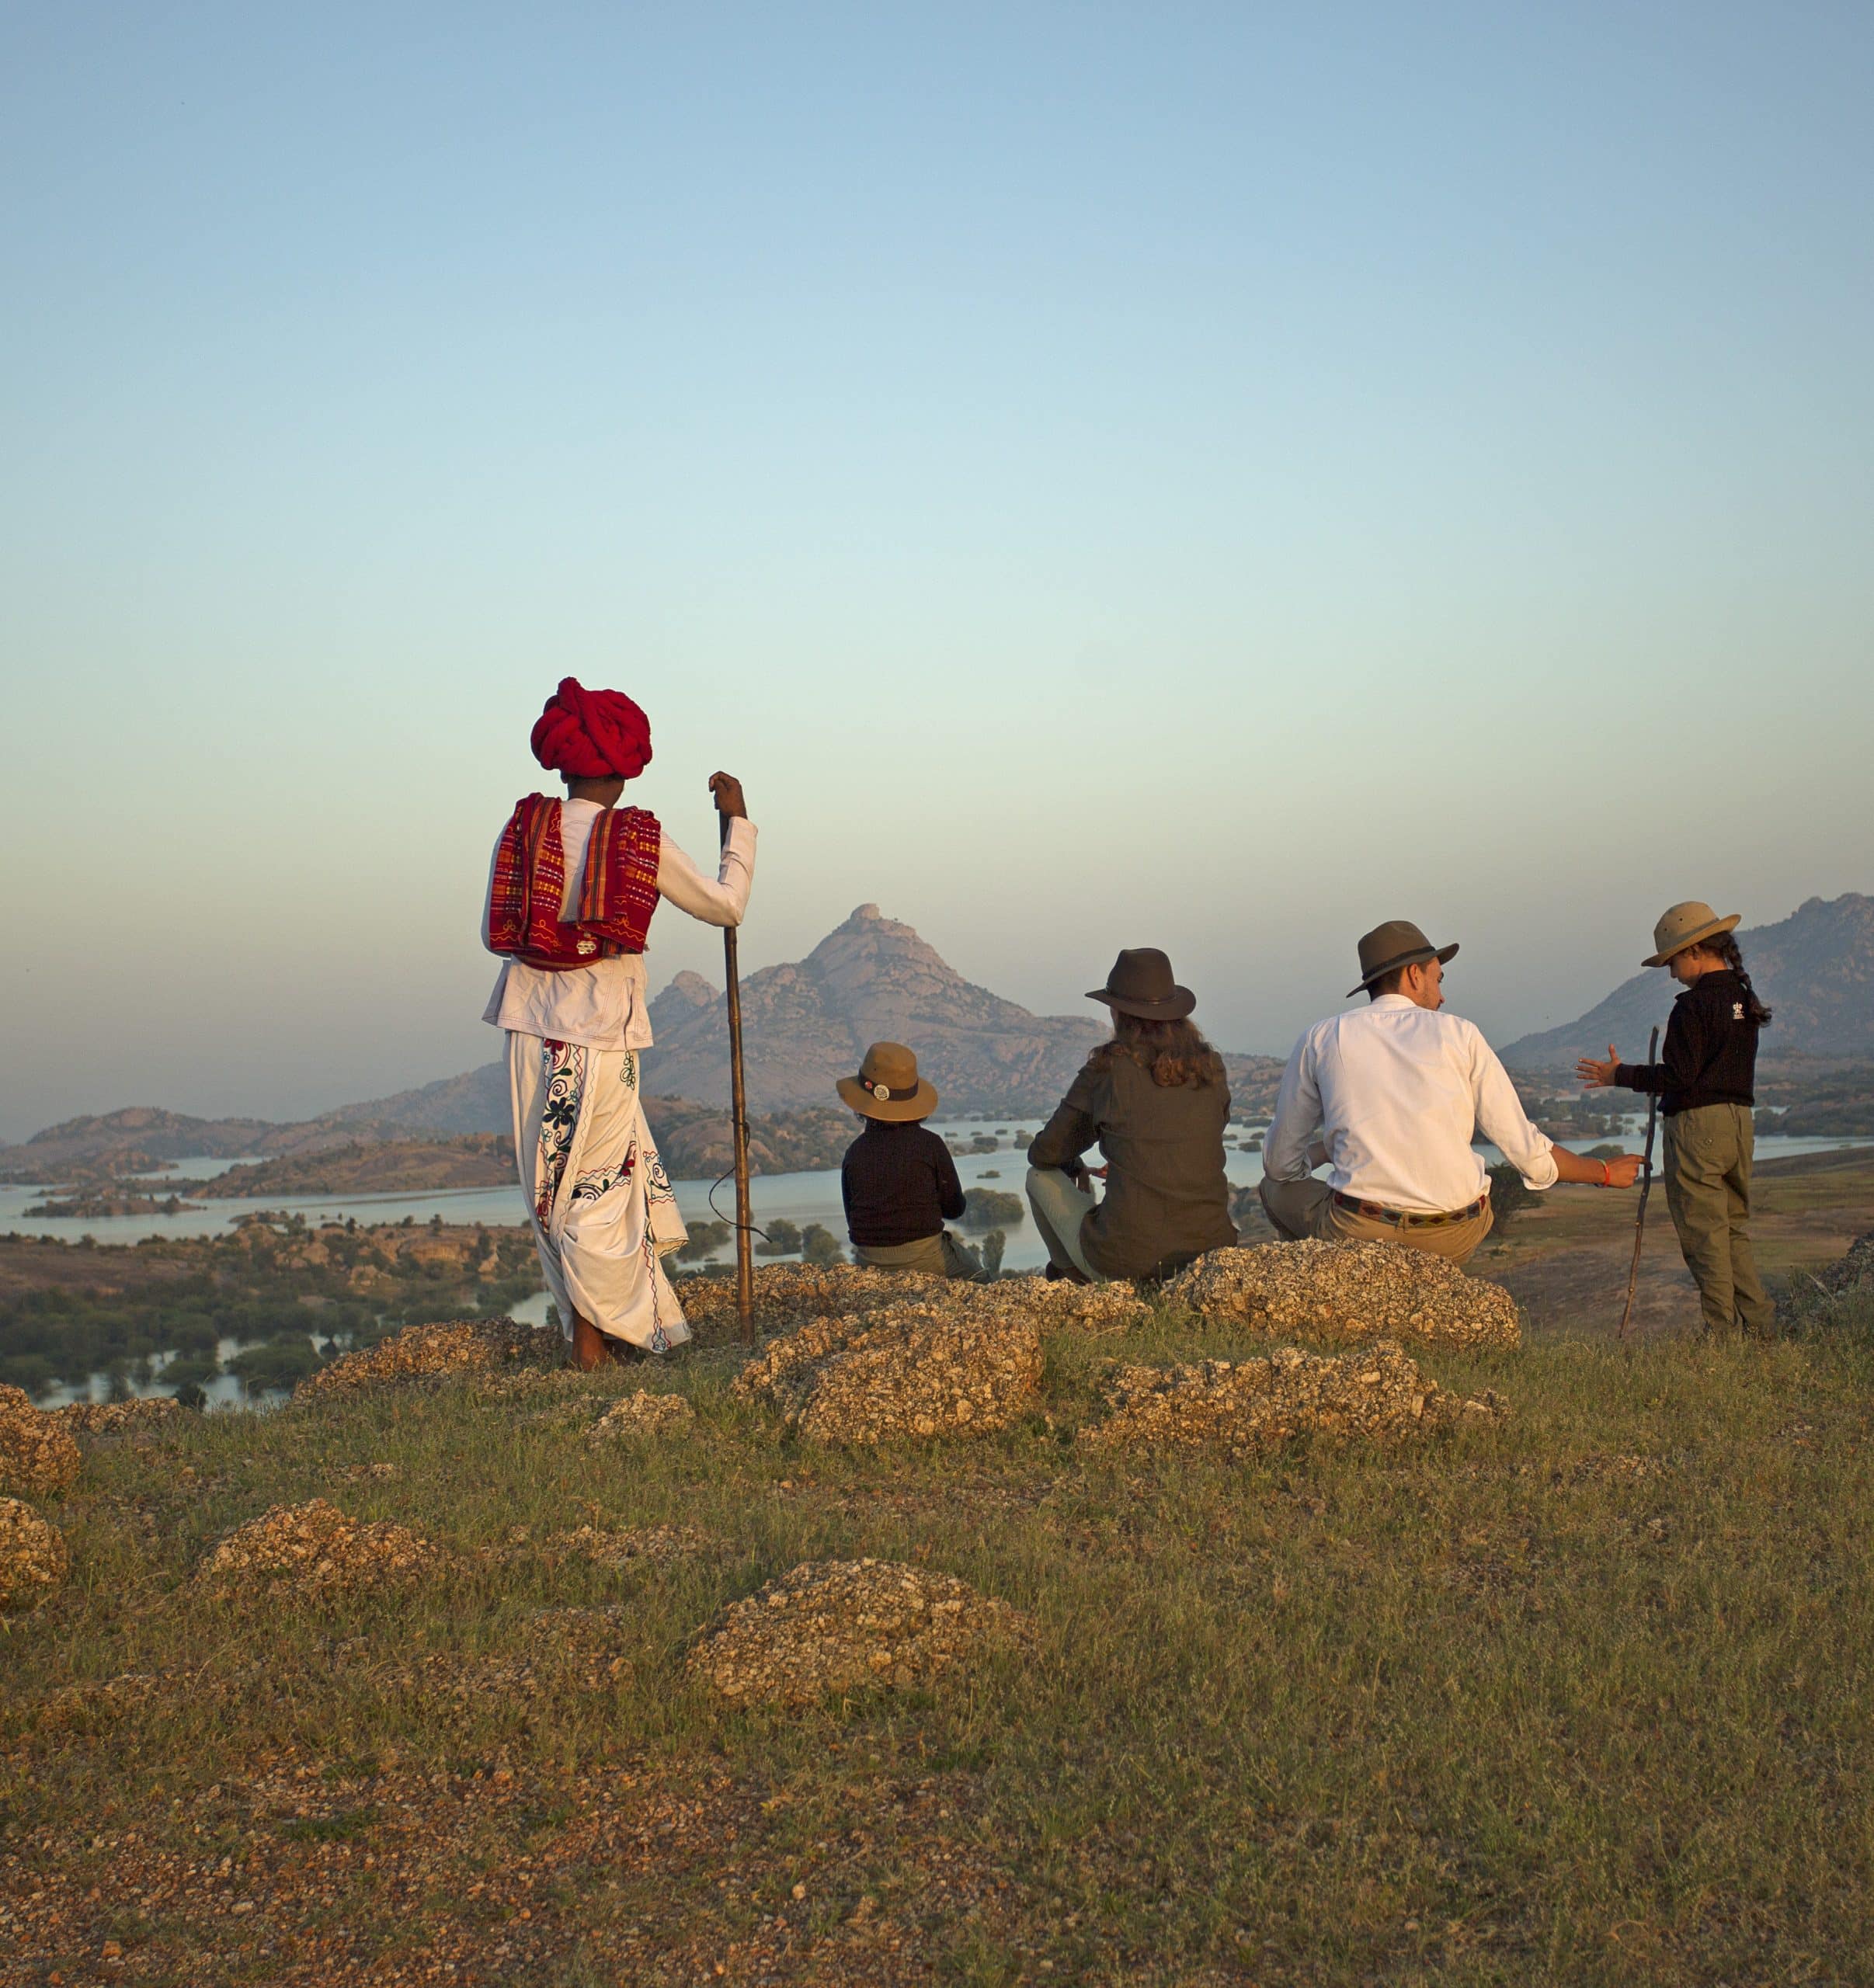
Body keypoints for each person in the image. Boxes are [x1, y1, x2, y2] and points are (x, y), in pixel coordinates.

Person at [482, 676, 756, 1368]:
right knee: (597, 1189)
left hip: (526, 1027)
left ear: (563, 761)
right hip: (600, 1033)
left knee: (551, 1188)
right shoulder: (638, 838)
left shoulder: (523, 831)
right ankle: (591, 1344)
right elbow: (726, 906)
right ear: (626, 768)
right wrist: (740, 823)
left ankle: (597, 1330)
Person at [1260, 919, 1641, 1264]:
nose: (1442, 997)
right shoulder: (1461, 1034)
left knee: (1274, 1187)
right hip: (1454, 1234)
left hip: (1362, 1231)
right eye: (1438, 979)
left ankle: (1318, 1287)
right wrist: (1604, 1172)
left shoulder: (1322, 1037)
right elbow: (1529, 1153)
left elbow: (1280, 1166)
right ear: (1413, 975)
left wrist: (1325, 1151)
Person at [1576, 902, 1775, 1336]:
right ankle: (1760, 1329)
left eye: (1673, 961)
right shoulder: (1743, 998)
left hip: (1699, 1129)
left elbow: (1678, 1077)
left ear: (1696, 950)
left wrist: (1618, 1075)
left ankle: (1722, 1336)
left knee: (1704, 1235)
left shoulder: (1693, 1006)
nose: (1670, 973)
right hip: (1740, 1125)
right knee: (1733, 1229)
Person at [1025, 949, 1236, 1283]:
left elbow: (1045, 1153)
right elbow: (1202, 1134)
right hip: (1211, 1252)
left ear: (1118, 1011)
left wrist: (1097, 1162)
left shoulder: (1106, 1070)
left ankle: (1073, 1282)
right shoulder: (1210, 1066)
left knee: (1037, 1177)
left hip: (1128, 1260)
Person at [838, 1042, 979, 1277]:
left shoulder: (855, 1152)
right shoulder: (929, 1144)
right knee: (984, 1283)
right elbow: (955, 1209)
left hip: (869, 1263)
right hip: (927, 1259)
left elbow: (854, 1222)